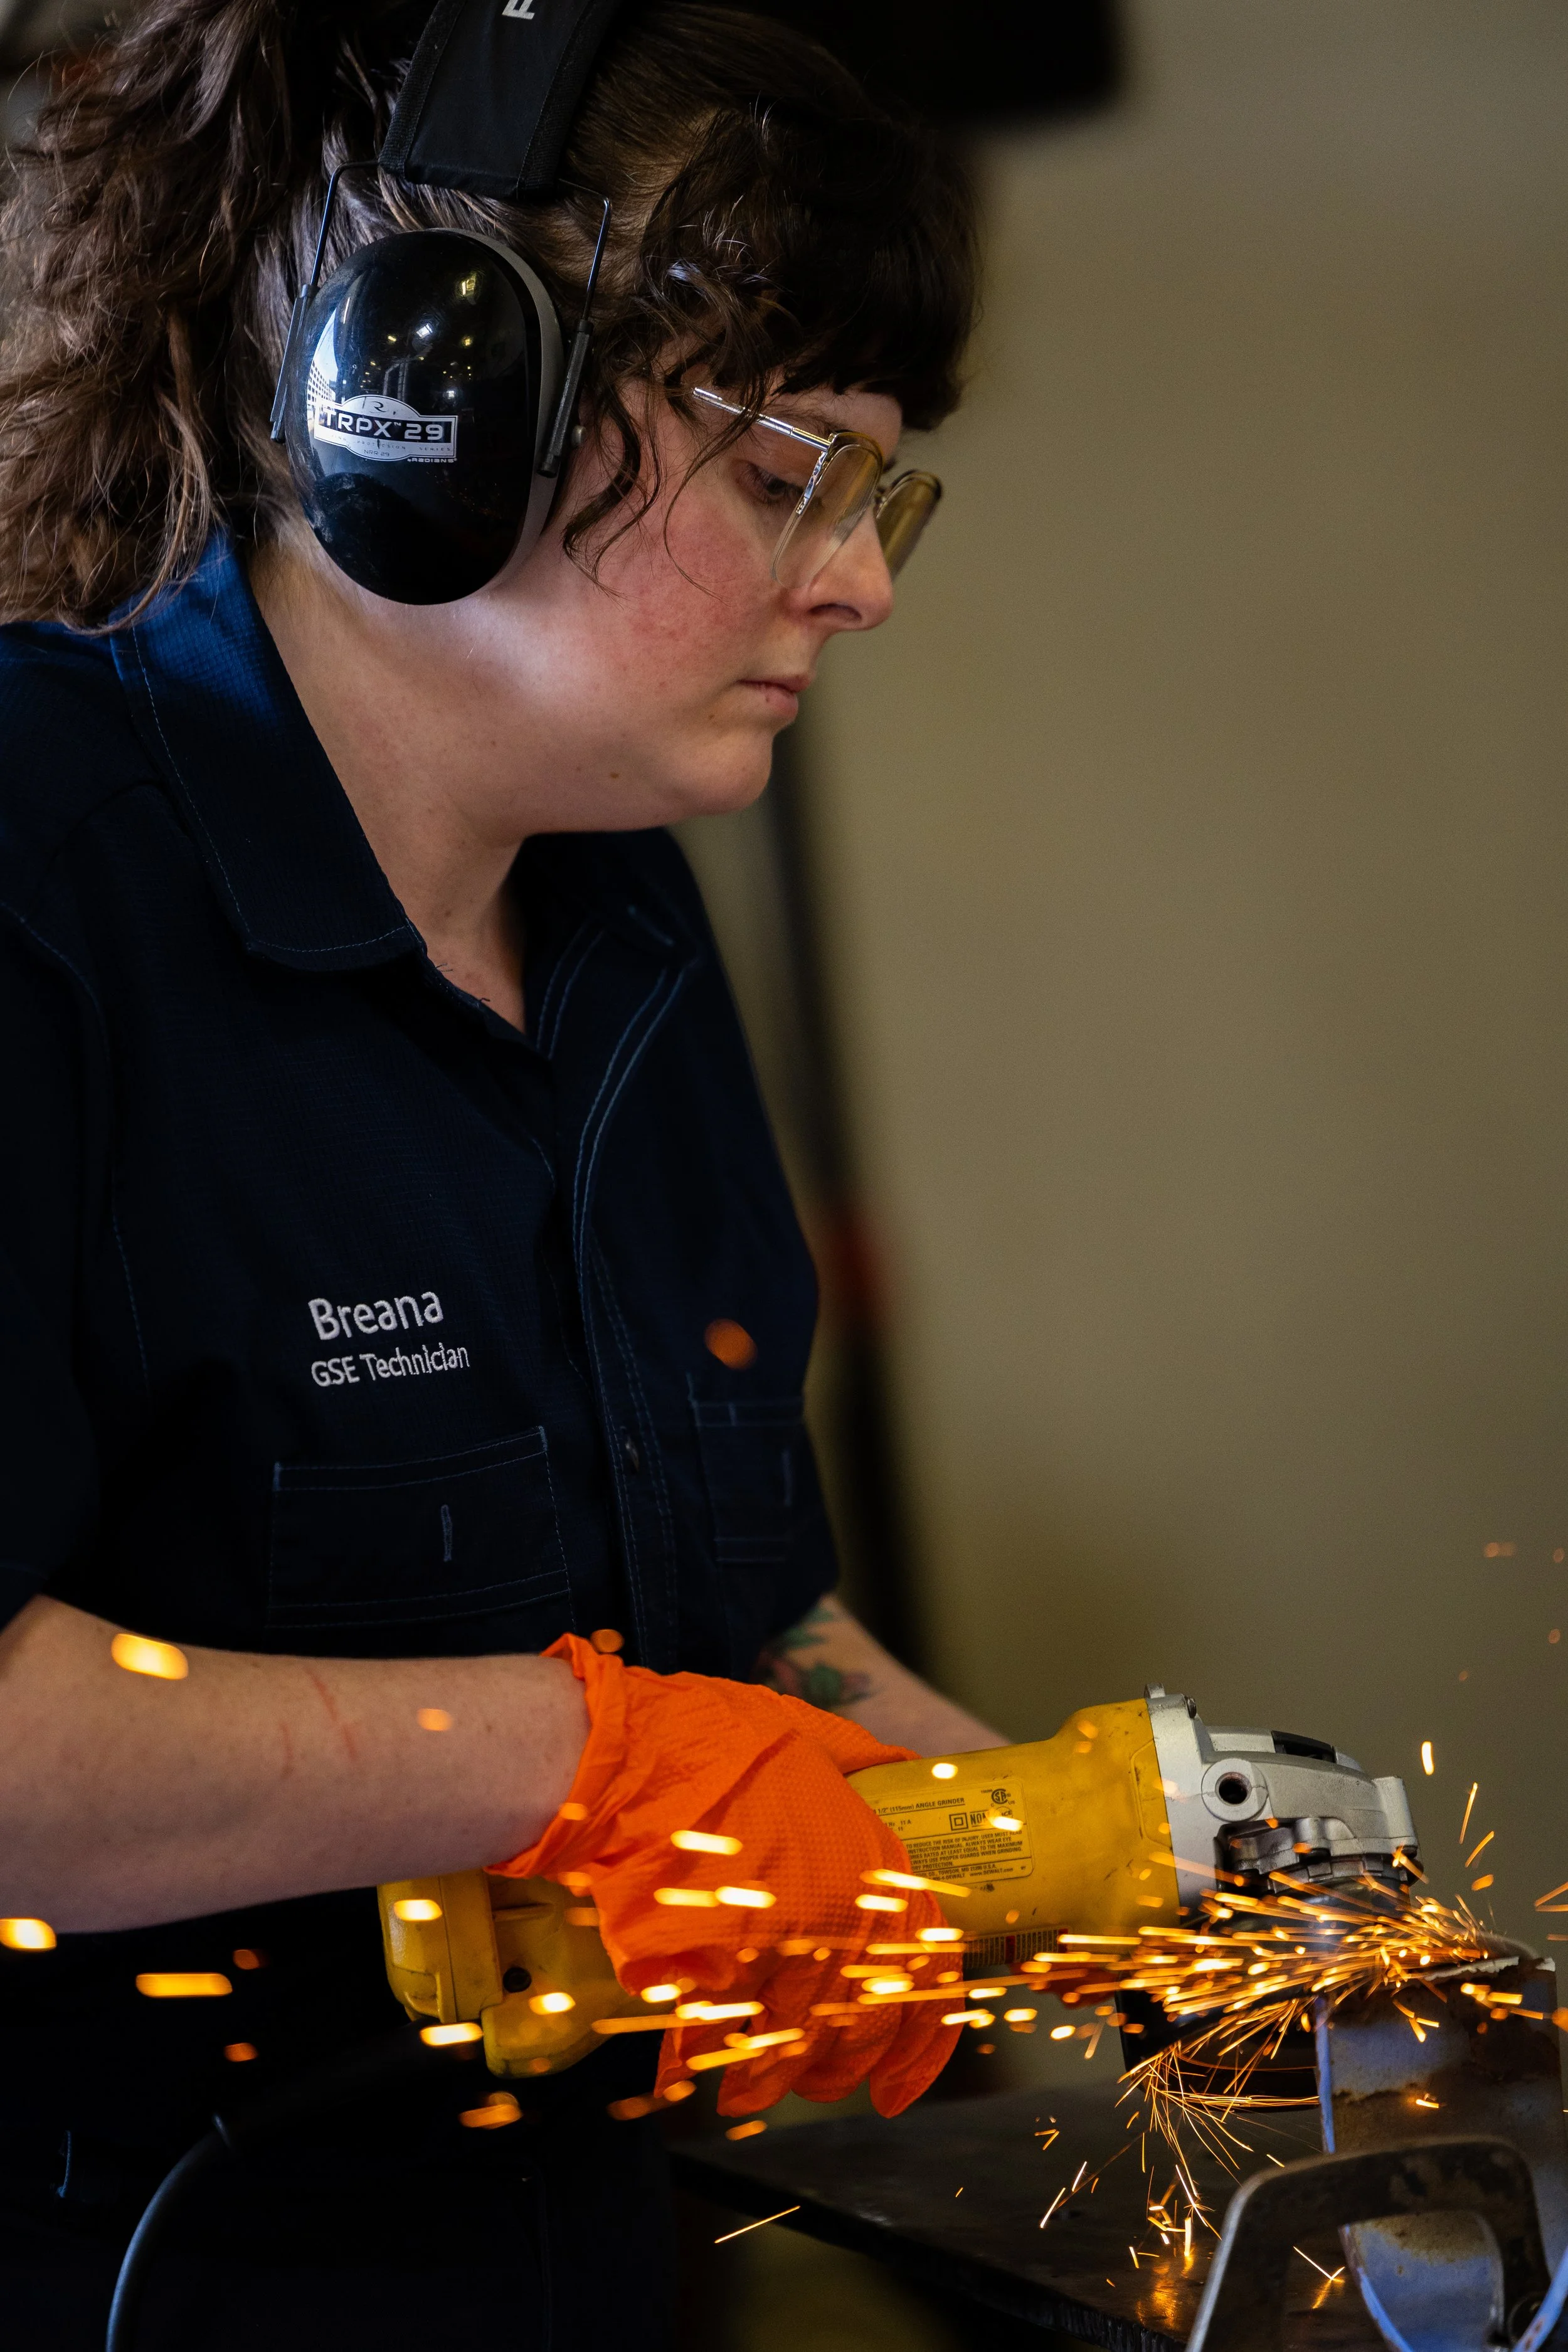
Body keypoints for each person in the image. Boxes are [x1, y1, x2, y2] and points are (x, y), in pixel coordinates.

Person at [0, 1, 999, 2342]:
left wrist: (1083, 1858)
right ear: (432, 411)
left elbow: (750, 1628)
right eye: (786, 476)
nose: (856, 583)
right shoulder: (38, 878)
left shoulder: (619, 914)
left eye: (877, 494)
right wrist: (590, 1757)